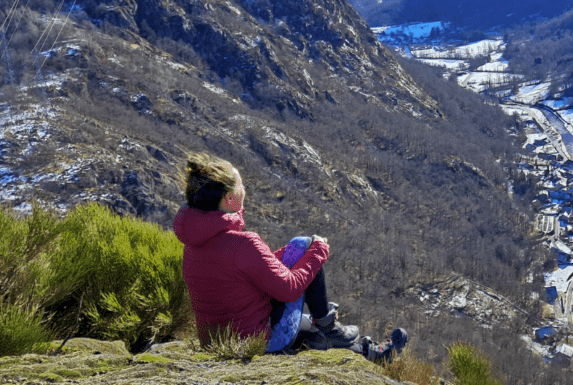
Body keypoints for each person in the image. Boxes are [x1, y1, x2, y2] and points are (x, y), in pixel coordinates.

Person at [173, 153, 407, 359]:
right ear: (228, 199)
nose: (244, 191)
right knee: (306, 245)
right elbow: (290, 289)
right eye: (240, 186)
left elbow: (243, 272)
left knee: (311, 331)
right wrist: (318, 251)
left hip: (221, 342)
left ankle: (362, 348)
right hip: (259, 342)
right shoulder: (243, 243)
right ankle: (331, 327)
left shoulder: (194, 245)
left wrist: (287, 256)